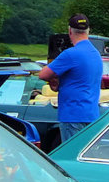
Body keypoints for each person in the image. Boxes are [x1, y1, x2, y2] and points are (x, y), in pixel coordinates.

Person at [38, 13, 102, 142]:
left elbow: (43, 74)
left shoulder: (71, 54)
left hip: (73, 115)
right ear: (88, 31)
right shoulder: (95, 54)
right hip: (91, 114)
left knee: (72, 155)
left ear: (70, 31)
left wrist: (54, 79)